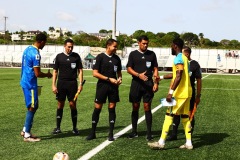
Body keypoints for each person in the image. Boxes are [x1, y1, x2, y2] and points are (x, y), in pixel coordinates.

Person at [148, 38, 193, 149]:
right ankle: (189, 143)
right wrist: (161, 77)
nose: (171, 48)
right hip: (187, 92)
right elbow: (176, 74)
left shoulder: (178, 58)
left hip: (179, 93)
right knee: (185, 117)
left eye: (171, 45)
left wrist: (170, 92)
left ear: (175, 46)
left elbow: (178, 75)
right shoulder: (185, 58)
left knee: (169, 115)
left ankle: (161, 142)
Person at [86, 39, 122, 141]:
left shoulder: (117, 59)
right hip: (102, 86)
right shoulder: (100, 57)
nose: (116, 48)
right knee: (97, 108)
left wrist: (120, 79)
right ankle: (93, 133)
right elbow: (95, 73)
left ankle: (110, 134)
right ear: (108, 46)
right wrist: (108, 78)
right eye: (114, 46)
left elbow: (119, 73)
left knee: (112, 108)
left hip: (113, 87)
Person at [20, 33, 52, 142]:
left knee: (33, 105)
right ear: (42, 42)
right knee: (33, 106)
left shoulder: (27, 49)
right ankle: (27, 135)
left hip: (24, 81)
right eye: (45, 42)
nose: (45, 44)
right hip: (30, 83)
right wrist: (48, 75)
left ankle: (25, 130)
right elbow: (37, 73)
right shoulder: (36, 54)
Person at [126, 35, 159, 141]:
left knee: (147, 106)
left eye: (147, 43)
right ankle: (134, 131)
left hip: (148, 84)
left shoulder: (152, 54)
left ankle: (149, 133)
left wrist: (156, 82)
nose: (145, 45)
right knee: (135, 106)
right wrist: (138, 75)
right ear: (139, 43)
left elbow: (155, 69)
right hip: (136, 83)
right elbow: (129, 69)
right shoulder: (133, 54)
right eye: (143, 43)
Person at [167, 46, 202, 141]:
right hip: (178, 93)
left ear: (187, 54)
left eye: (182, 54)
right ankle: (174, 134)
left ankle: (189, 137)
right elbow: (175, 75)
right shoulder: (182, 62)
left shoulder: (194, 64)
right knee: (176, 113)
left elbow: (199, 80)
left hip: (189, 94)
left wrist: (198, 95)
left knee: (189, 114)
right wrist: (161, 77)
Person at [52, 39, 83, 135]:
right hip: (61, 84)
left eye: (72, 47)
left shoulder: (76, 56)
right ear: (64, 46)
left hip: (72, 84)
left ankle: (74, 128)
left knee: (72, 104)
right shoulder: (59, 57)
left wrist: (80, 84)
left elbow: (80, 71)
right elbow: (55, 71)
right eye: (69, 46)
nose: (70, 48)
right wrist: (53, 84)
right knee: (60, 104)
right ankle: (58, 128)